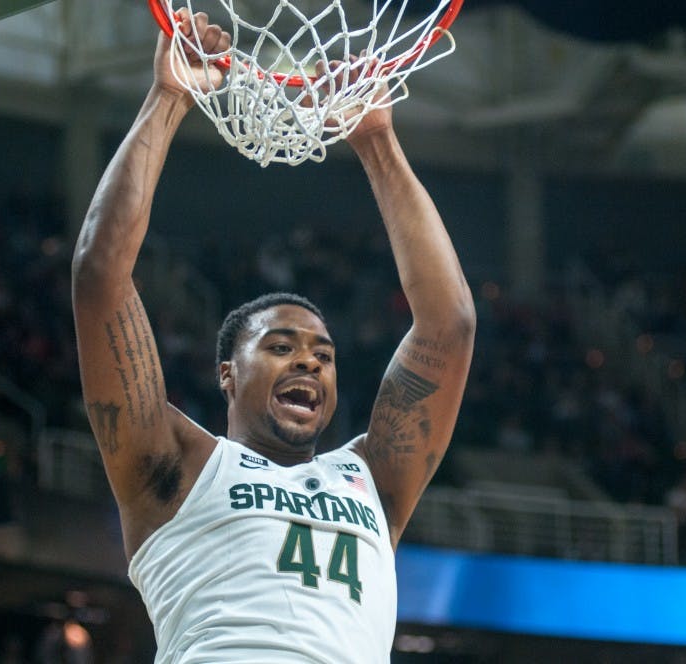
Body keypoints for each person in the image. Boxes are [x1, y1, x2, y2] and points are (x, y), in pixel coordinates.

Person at [71, 8, 475, 663]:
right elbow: (100, 277)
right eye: (281, 347)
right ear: (227, 373)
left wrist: (375, 139)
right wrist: (170, 95)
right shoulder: (176, 464)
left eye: (323, 355)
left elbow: (448, 327)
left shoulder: (373, 477)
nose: (309, 364)